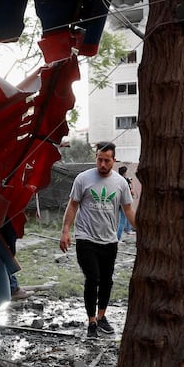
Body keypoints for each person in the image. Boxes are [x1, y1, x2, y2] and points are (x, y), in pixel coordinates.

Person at [60, 142, 136, 338]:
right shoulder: (83, 179)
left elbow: (128, 210)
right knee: (92, 278)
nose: (102, 164)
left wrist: (141, 231)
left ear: (114, 160)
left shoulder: (120, 183)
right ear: (96, 158)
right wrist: (65, 231)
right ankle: (91, 321)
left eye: (107, 160)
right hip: (86, 237)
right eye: (99, 159)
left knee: (107, 281)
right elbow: (73, 205)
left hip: (109, 240)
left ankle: (102, 317)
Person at [116, 166, 135, 240]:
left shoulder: (118, 179)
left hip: (119, 202)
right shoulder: (124, 181)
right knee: (122, 221)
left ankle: (128, 229)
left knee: (126, 218)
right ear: (124, 172)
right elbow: (130, 191)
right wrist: (132, 185)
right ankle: (118, 238)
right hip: (123, 203)